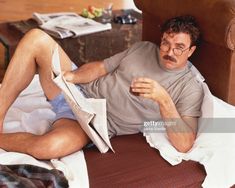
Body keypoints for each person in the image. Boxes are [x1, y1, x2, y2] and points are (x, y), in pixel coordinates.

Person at [0, 15, 203, 159]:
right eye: (166, 43)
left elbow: (185, 144)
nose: (169, 52)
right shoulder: (144, 49)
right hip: (76, 92)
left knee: (48, 147)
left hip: (92, 123)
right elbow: (101, 67)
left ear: (191, 51)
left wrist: (163, 99)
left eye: (179, 47)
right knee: (36, 37)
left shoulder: (190, 87)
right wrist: (73, 76)